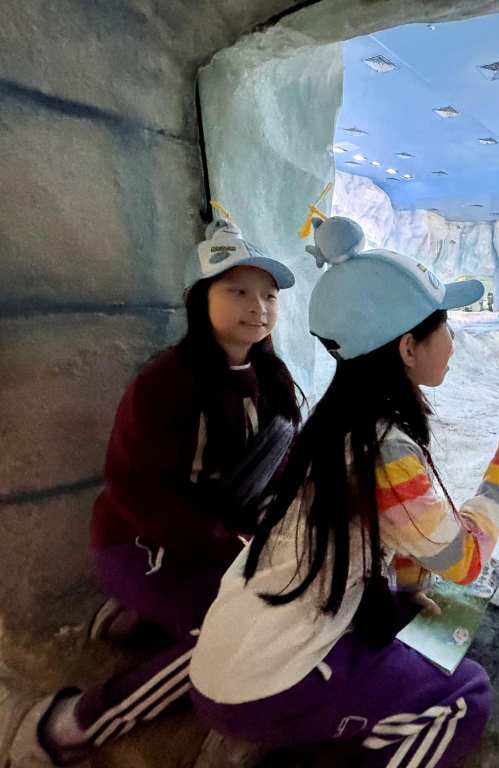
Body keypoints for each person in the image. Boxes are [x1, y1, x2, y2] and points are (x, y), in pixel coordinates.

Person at [187, 216, 499, 767]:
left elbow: (394, 531)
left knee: (397, 636)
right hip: (265, 686)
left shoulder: (335, 426)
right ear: (408, 347)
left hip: (223, 659)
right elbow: (464, 561)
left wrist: (403, 597)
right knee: (466, 694)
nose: (453, 341)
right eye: (445, 326)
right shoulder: (385, 451)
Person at [10, 219, 302, 766]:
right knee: (235, 635)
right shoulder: (166, 382)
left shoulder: (271, 377)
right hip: (139, 543)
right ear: (200, 298)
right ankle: (71, 725)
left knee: (278, 602)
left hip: (208, 543)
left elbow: (276, 467)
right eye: (237, 291)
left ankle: (138, 617)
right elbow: (137, 492)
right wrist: (231, 550)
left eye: (268, 295)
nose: (257, 307)